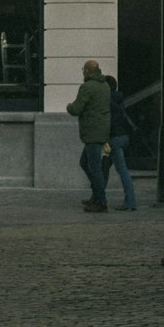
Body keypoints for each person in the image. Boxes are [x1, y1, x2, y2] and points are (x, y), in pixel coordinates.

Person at [66, 57, 112, 213]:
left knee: (93, 167)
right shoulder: (105, 85)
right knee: (85, 163)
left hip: (92, 132)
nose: (82, 73)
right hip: (102, 131)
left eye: (83, 70)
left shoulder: (87, 87)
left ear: (87, 71)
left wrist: (69, 106)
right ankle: (96, 194)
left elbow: (76, 109)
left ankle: (100, 200)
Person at [102, 73, 137, 211]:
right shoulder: (119, 98)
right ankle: (98, 197)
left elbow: (109, 122)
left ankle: (130, 202)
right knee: (103, 167)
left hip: (114, 139)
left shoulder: (108, 101)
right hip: (123, 137)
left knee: (122, 171)